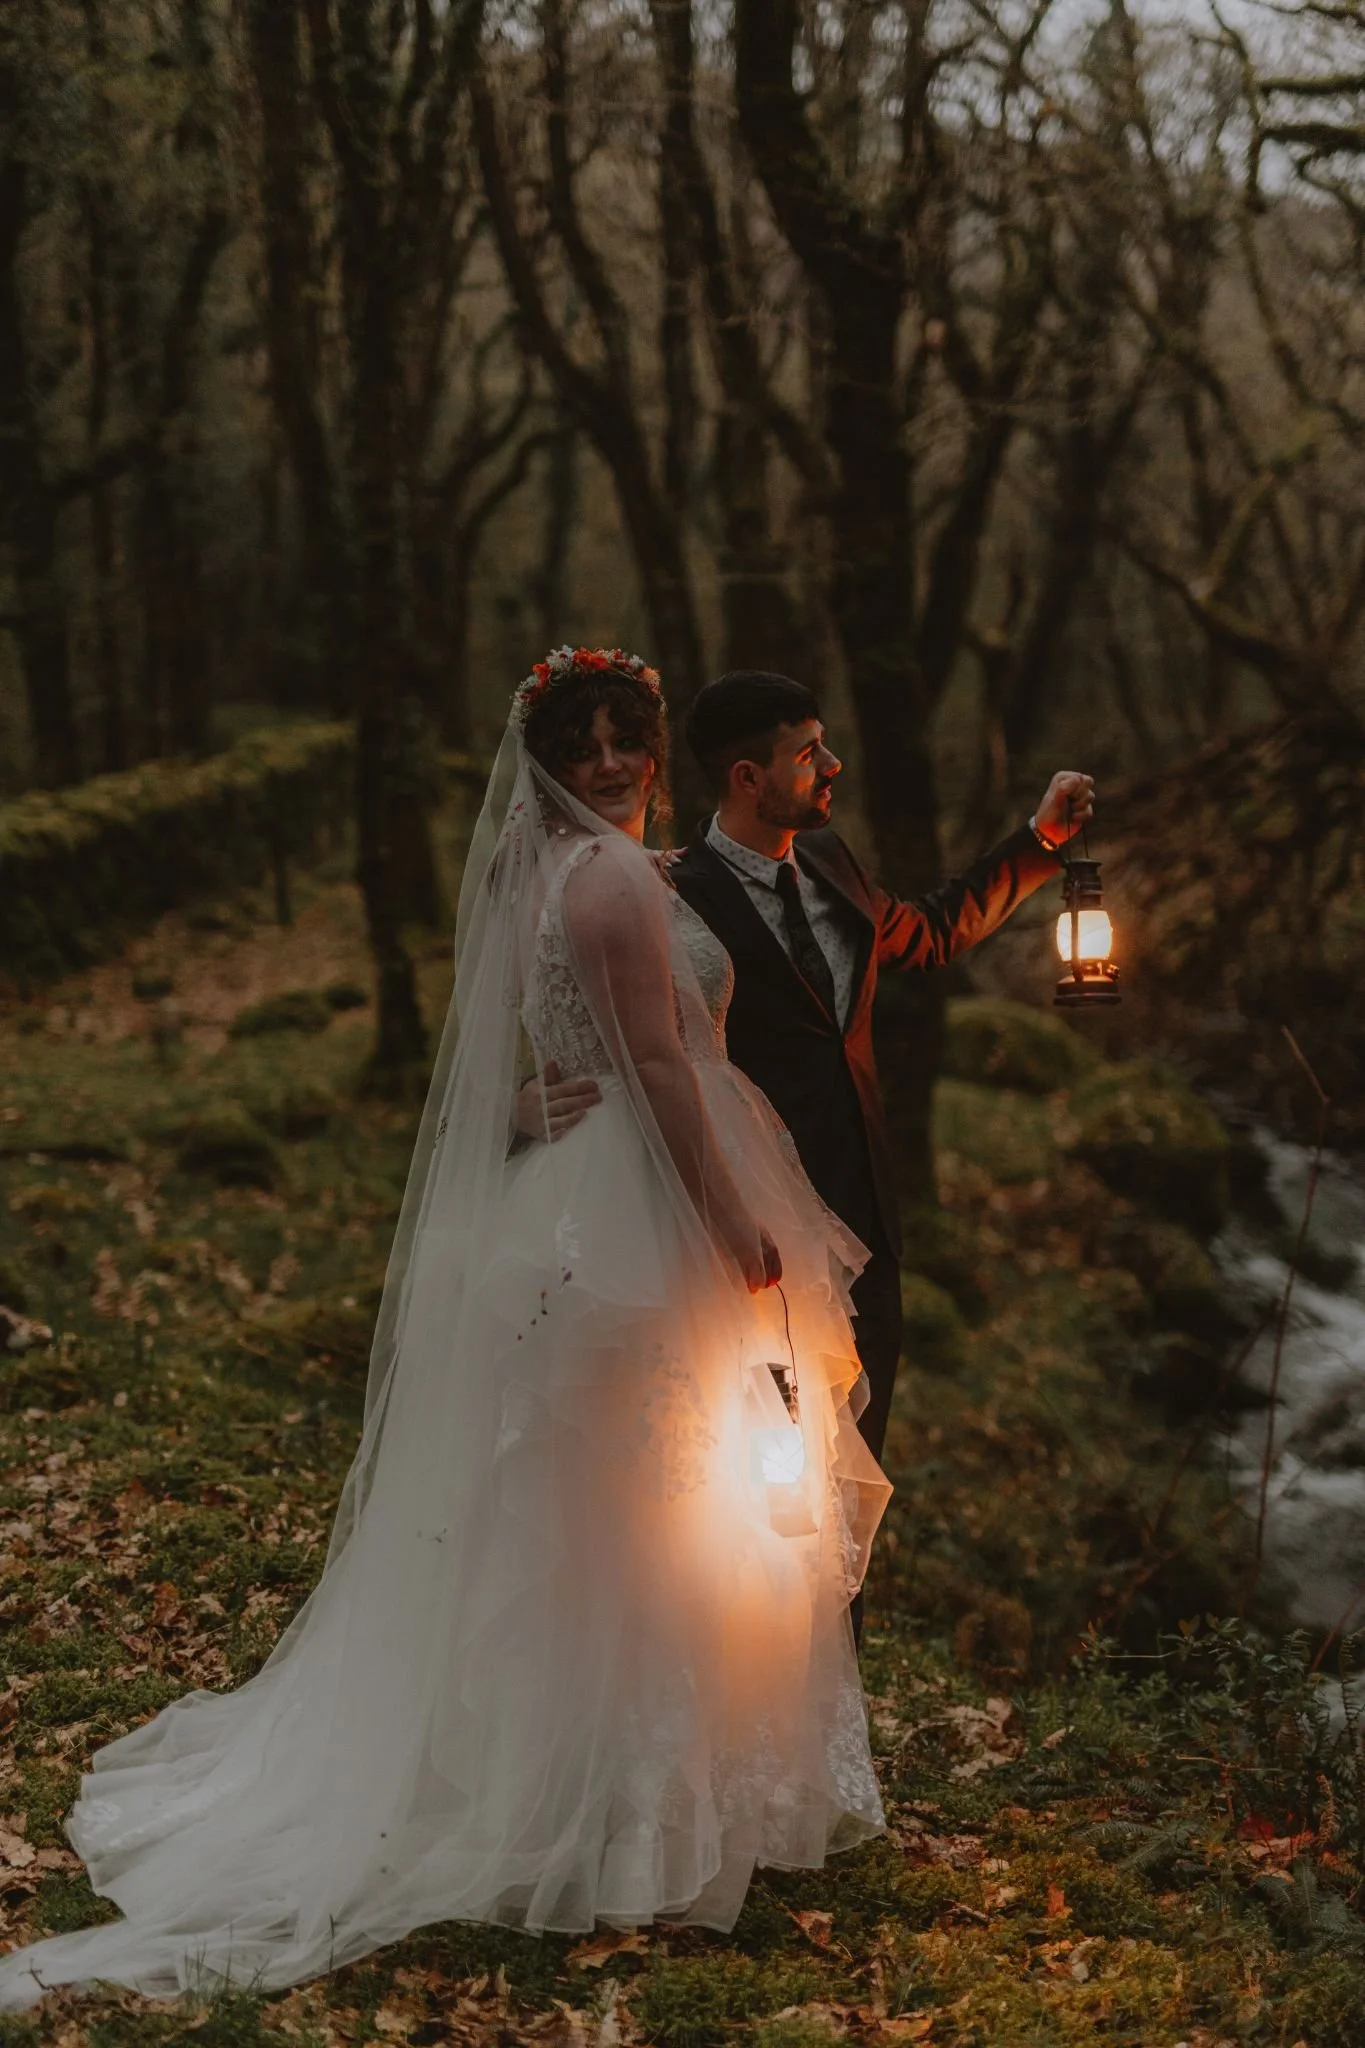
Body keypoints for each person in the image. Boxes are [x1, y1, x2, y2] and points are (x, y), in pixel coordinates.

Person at [0, 649, 890, 2013]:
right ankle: (619, 1808)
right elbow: (653, 1061)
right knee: (649, 1504)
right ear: (547, 763)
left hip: (576, 1200)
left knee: (600, 1496)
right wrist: (725, 1224)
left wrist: (524, 1111)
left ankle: (611, 1780)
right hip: (640, 1204)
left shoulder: (559, 874)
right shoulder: (600, 876)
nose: (607, 765)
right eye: (582, 747)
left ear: (655, 750)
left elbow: (528, 1042)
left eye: (624, 741)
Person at [525, 669, 1094, 1487]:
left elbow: (929, 931)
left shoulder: (830, 862)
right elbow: (616, 1039)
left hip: (863, 1226)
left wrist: (1038, 843)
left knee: (858, 1468)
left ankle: (844, 1623)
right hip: (747, 1233)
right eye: (808, 753)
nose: (831, 766)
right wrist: (526, 1103)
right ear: (749, 778)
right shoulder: (663, 892)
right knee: (763, 1489)